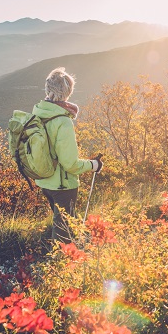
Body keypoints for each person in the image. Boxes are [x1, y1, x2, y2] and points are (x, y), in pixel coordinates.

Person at [32, 67, 103, 242]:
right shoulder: (63, 121)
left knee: (63, 222)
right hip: (63, 185)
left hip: (44, 180)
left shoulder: (38, 113)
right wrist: (93, 165)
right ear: (68, 92)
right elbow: (70, 164)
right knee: (63, 231)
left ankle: (60, 255)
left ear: (48, 89)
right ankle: (60, 264)